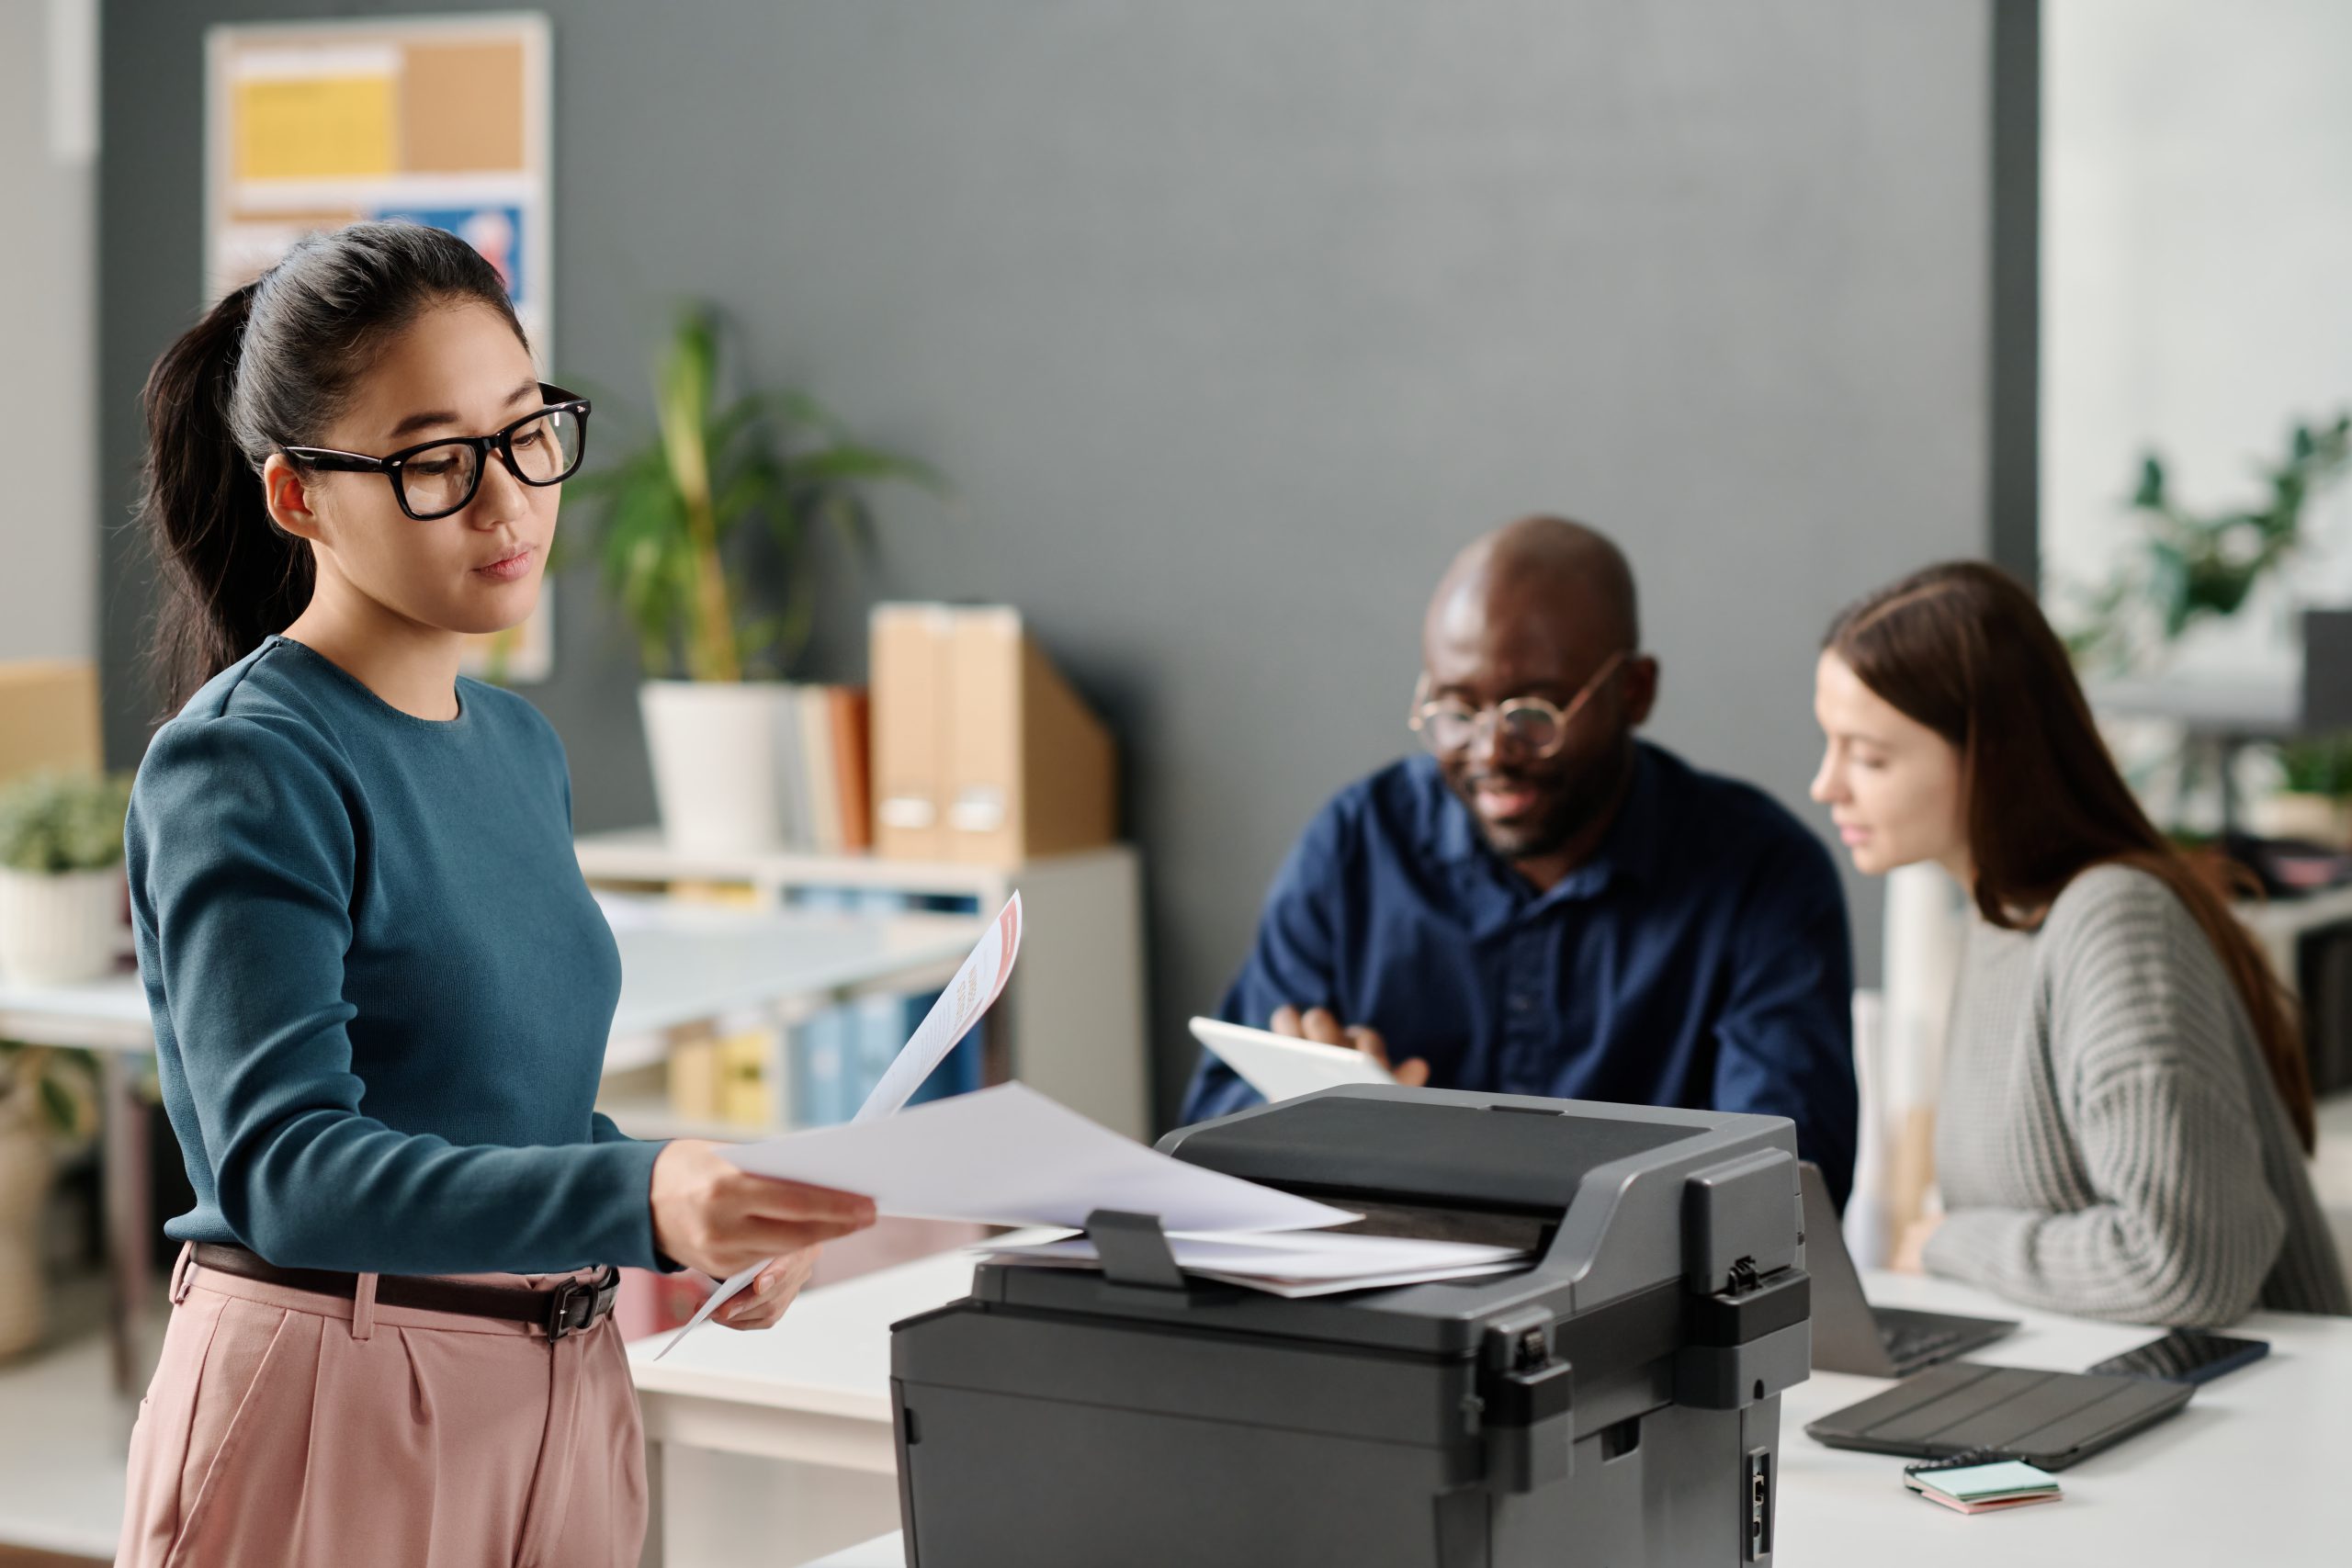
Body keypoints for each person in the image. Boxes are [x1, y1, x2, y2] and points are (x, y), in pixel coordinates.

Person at [117, 220, 876, 1568]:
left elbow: (498, 1109)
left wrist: (710, 1203)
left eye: (526, 433)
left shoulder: (519, 746)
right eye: (434, 461)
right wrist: (638, 1195)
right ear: (296, 496)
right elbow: (286, 1169)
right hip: (336, 1397)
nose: (508, 499)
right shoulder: (247, 761)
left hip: (559, 1385)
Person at [1181, 516, 1860, 1203]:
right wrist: (1312, 1119)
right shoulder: (1355, 846)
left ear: (1634, 691)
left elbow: (1788, 1186)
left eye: (1534, 714)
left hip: (1644, 1271)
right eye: (1455, 711)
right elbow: (1208, 1127)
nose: (1491, 752)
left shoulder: (1761, 875)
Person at [1812, 561, 2349, 1325]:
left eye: (1869, 756)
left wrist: (1950, 1241)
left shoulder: (2112, 921)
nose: (1826, 785)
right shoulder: (1998, 923)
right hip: (2108, 1374)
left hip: (2245, 1393)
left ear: (1990, 757)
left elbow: (2186, 1263)